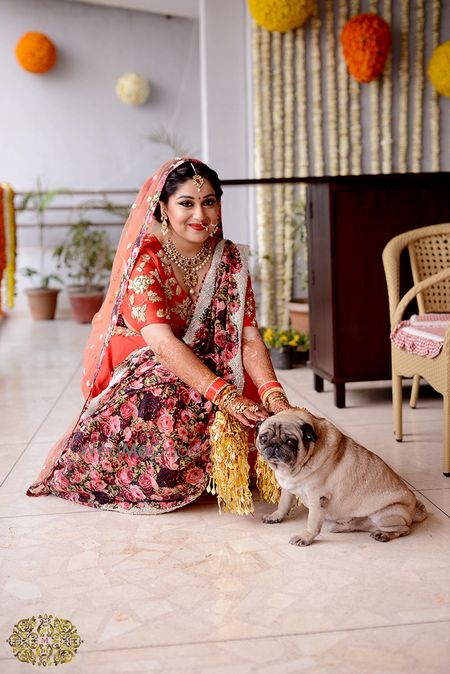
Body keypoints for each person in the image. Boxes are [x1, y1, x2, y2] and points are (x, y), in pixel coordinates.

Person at [26, 158, 292, 514]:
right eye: (187, 203)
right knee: (168, 392)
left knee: (262, 405)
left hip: (212, 359)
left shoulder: (228, 259)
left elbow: (246, 337)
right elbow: (164, 345)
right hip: (150, 360)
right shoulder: (145, 260)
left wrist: (276, 399)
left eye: (209, 201)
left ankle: (218, 466)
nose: (200, 214)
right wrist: (227, 398)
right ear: (164, 207)